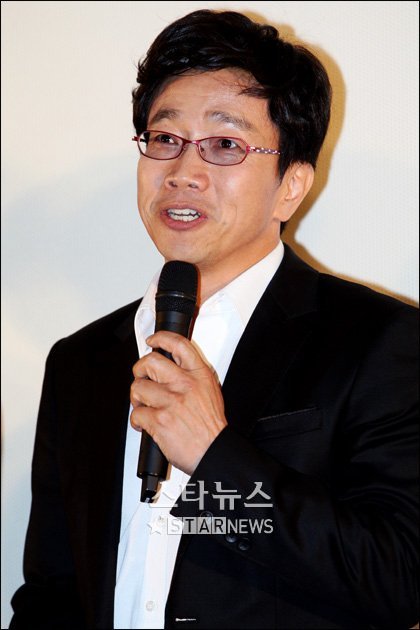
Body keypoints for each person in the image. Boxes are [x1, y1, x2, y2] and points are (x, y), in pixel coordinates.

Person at [10, 9, 418, 630]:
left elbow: (400, 580)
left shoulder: (381, 342)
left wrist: (213, 456)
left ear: (291, 185)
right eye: (164, 139)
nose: (183, 173)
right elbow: (52, 590)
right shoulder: (81, 360)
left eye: (225, 145)